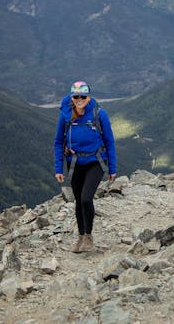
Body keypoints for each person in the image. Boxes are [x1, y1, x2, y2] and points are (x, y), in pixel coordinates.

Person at [54, 81, 117, 253]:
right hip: (74, 162)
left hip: (95, 162)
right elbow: (59, 142)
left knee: (86, 198)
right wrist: (58, 168)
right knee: (77, 201)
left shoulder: (99, 114)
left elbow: (110, 142)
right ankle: (80, 236)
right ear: (72, 98)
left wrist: (112, 168)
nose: (80, 99)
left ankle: (88, 236)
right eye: (76, 96)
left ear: (89, 97)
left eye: (83, 96)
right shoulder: (65, 116)